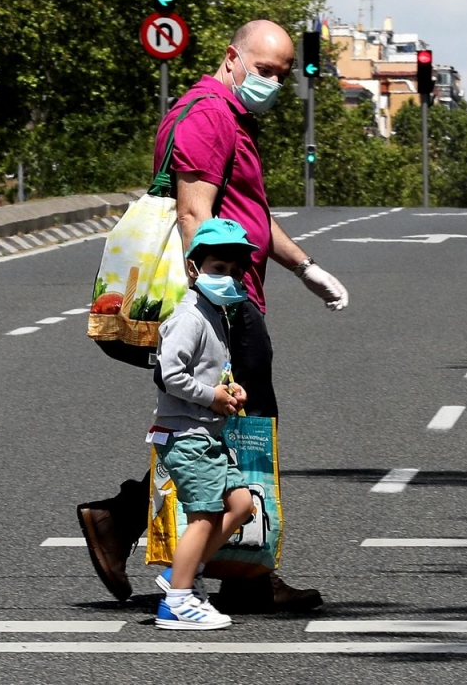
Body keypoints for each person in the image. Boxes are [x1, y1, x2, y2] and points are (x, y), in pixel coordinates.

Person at [77, 19, 349, 611]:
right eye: (264, 69)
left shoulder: (230, 116)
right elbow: (194, 214)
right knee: (243, 430)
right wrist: (215, 302)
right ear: (233, 57)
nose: (272, 82)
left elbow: (248, 213)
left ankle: (129, 524)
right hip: (225, 299)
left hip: (237, 289)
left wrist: (305, 268)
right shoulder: (207, 114)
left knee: (228, 431)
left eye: (282, 74)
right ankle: (240, 573)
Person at [151, 218, 255, 630]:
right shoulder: (190, 316)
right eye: (217, 269)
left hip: (209, 433)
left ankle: (180, 572)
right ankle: (177, 600)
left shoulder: (216, 313)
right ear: (194, 269)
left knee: (241, 504)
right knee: (206, 515)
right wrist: (211, 395)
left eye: (234, 271)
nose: (227, 277)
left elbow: (209, 370)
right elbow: (167, 375)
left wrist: (229, 388)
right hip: (187, 434)